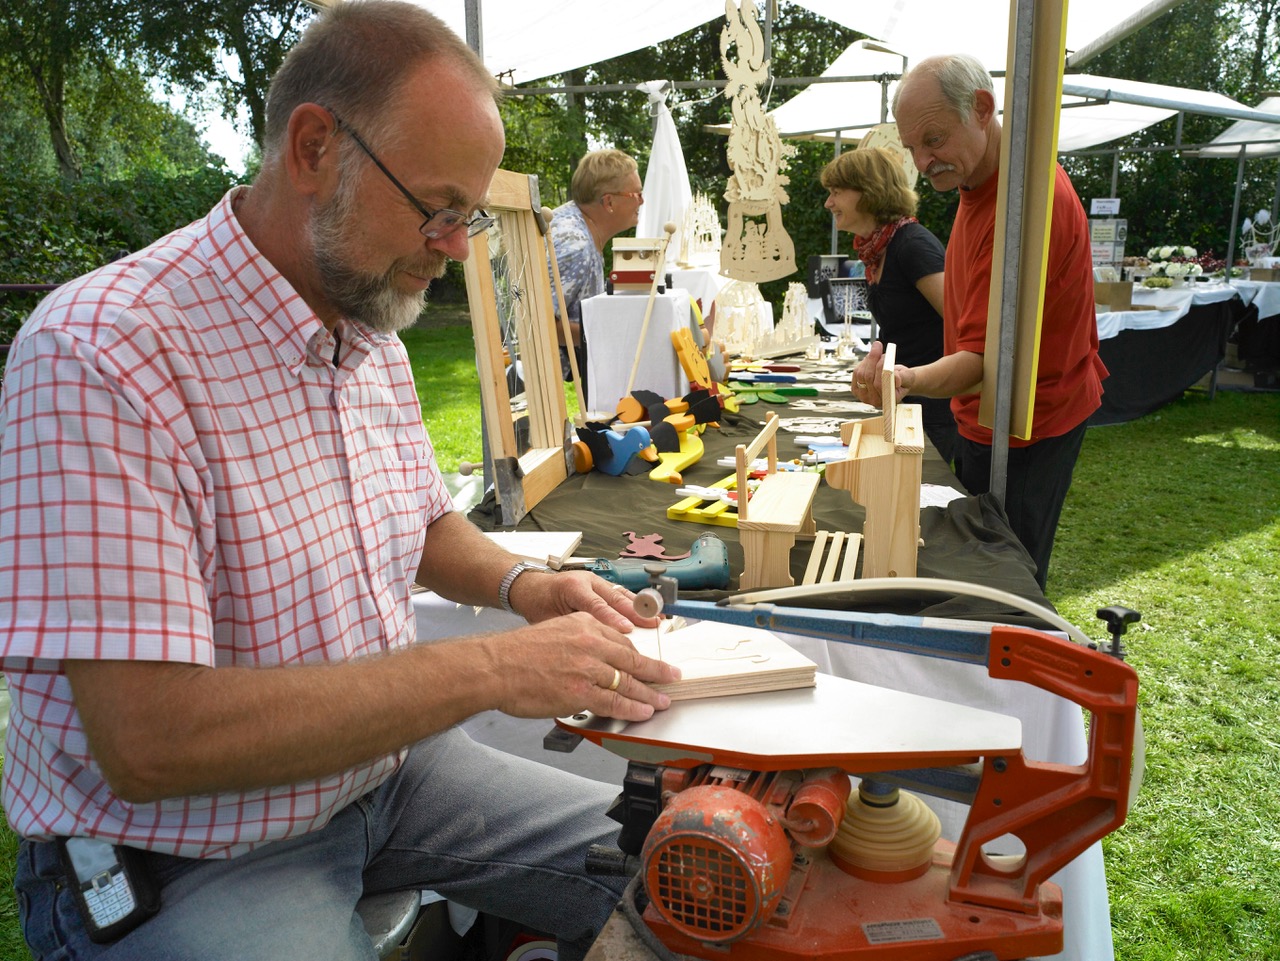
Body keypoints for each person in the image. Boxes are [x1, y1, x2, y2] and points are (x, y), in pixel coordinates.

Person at [0, 3, 680, 960]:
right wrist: (489, 668)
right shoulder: (102, 354)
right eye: (439, 207)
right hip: (189, 849)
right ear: (315, 145)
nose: (454, 244)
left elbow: (420, 522)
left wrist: (525, 587)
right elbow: (150, 742)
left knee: (700, 869)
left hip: (388, 780)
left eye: (468, 215)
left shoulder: (366, 331)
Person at [854, 53, 1107, 591]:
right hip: (992, 418)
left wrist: (907, 379)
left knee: (1004, 581)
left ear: (983, 108)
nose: (922, 161)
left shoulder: (1024, 208)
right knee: (977, 562)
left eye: (935, 140)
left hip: (1030, 423)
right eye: (913, 147)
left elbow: (985, 364)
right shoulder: (980, 180)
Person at [820, 146, 960, 465]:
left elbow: (962, 326)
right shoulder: (878, 249)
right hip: (907, 399)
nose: (829, 203)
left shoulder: (911, 246)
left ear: (868, 192)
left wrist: (914, 376)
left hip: (933, 408)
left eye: (836, 192)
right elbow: (906, 325)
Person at [548, 149, 644, 394]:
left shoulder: (579, 229)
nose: (641, 201)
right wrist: (606, 332)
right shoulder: (575, 245)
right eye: (636, 194)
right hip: (525, 381)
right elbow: (537, 323)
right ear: (609, 202)